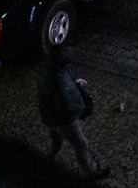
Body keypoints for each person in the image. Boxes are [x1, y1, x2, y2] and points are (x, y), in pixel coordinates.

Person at [39, 45, 104, 178]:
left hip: (51, 116)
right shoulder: (56, 78)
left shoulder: (52, 70)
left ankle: (48, 160)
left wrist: (74, 82)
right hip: (62, 118)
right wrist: (80, 110)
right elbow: (64, 104)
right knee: (81, 144)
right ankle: (90, 172)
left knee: (56, 140)